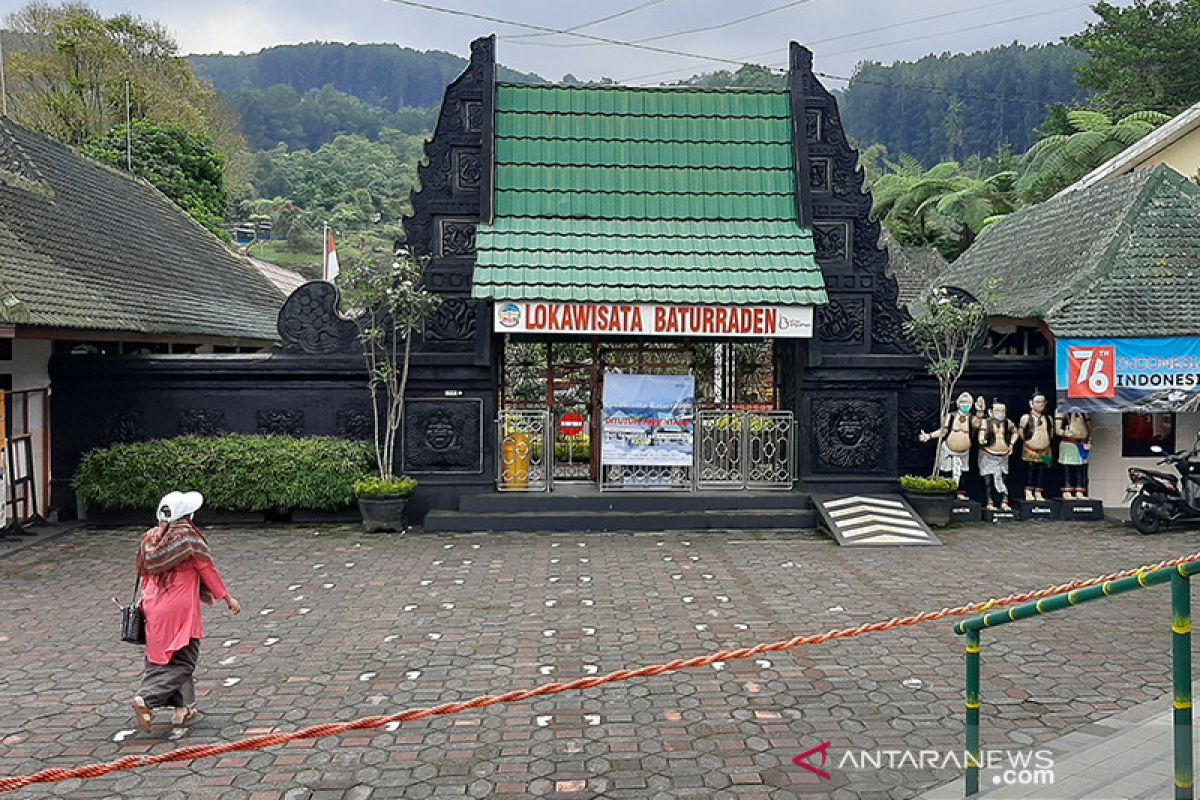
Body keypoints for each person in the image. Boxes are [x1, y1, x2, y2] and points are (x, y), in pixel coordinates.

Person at [131, 491, 241, 732]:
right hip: (180, 609)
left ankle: (184, 708)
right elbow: (207, 569)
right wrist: (227, 598)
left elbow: (145, 575)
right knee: (184, 661)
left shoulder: (151, 539)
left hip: (153, 607)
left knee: (162, 657)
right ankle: (146, 698)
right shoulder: (188, 539)